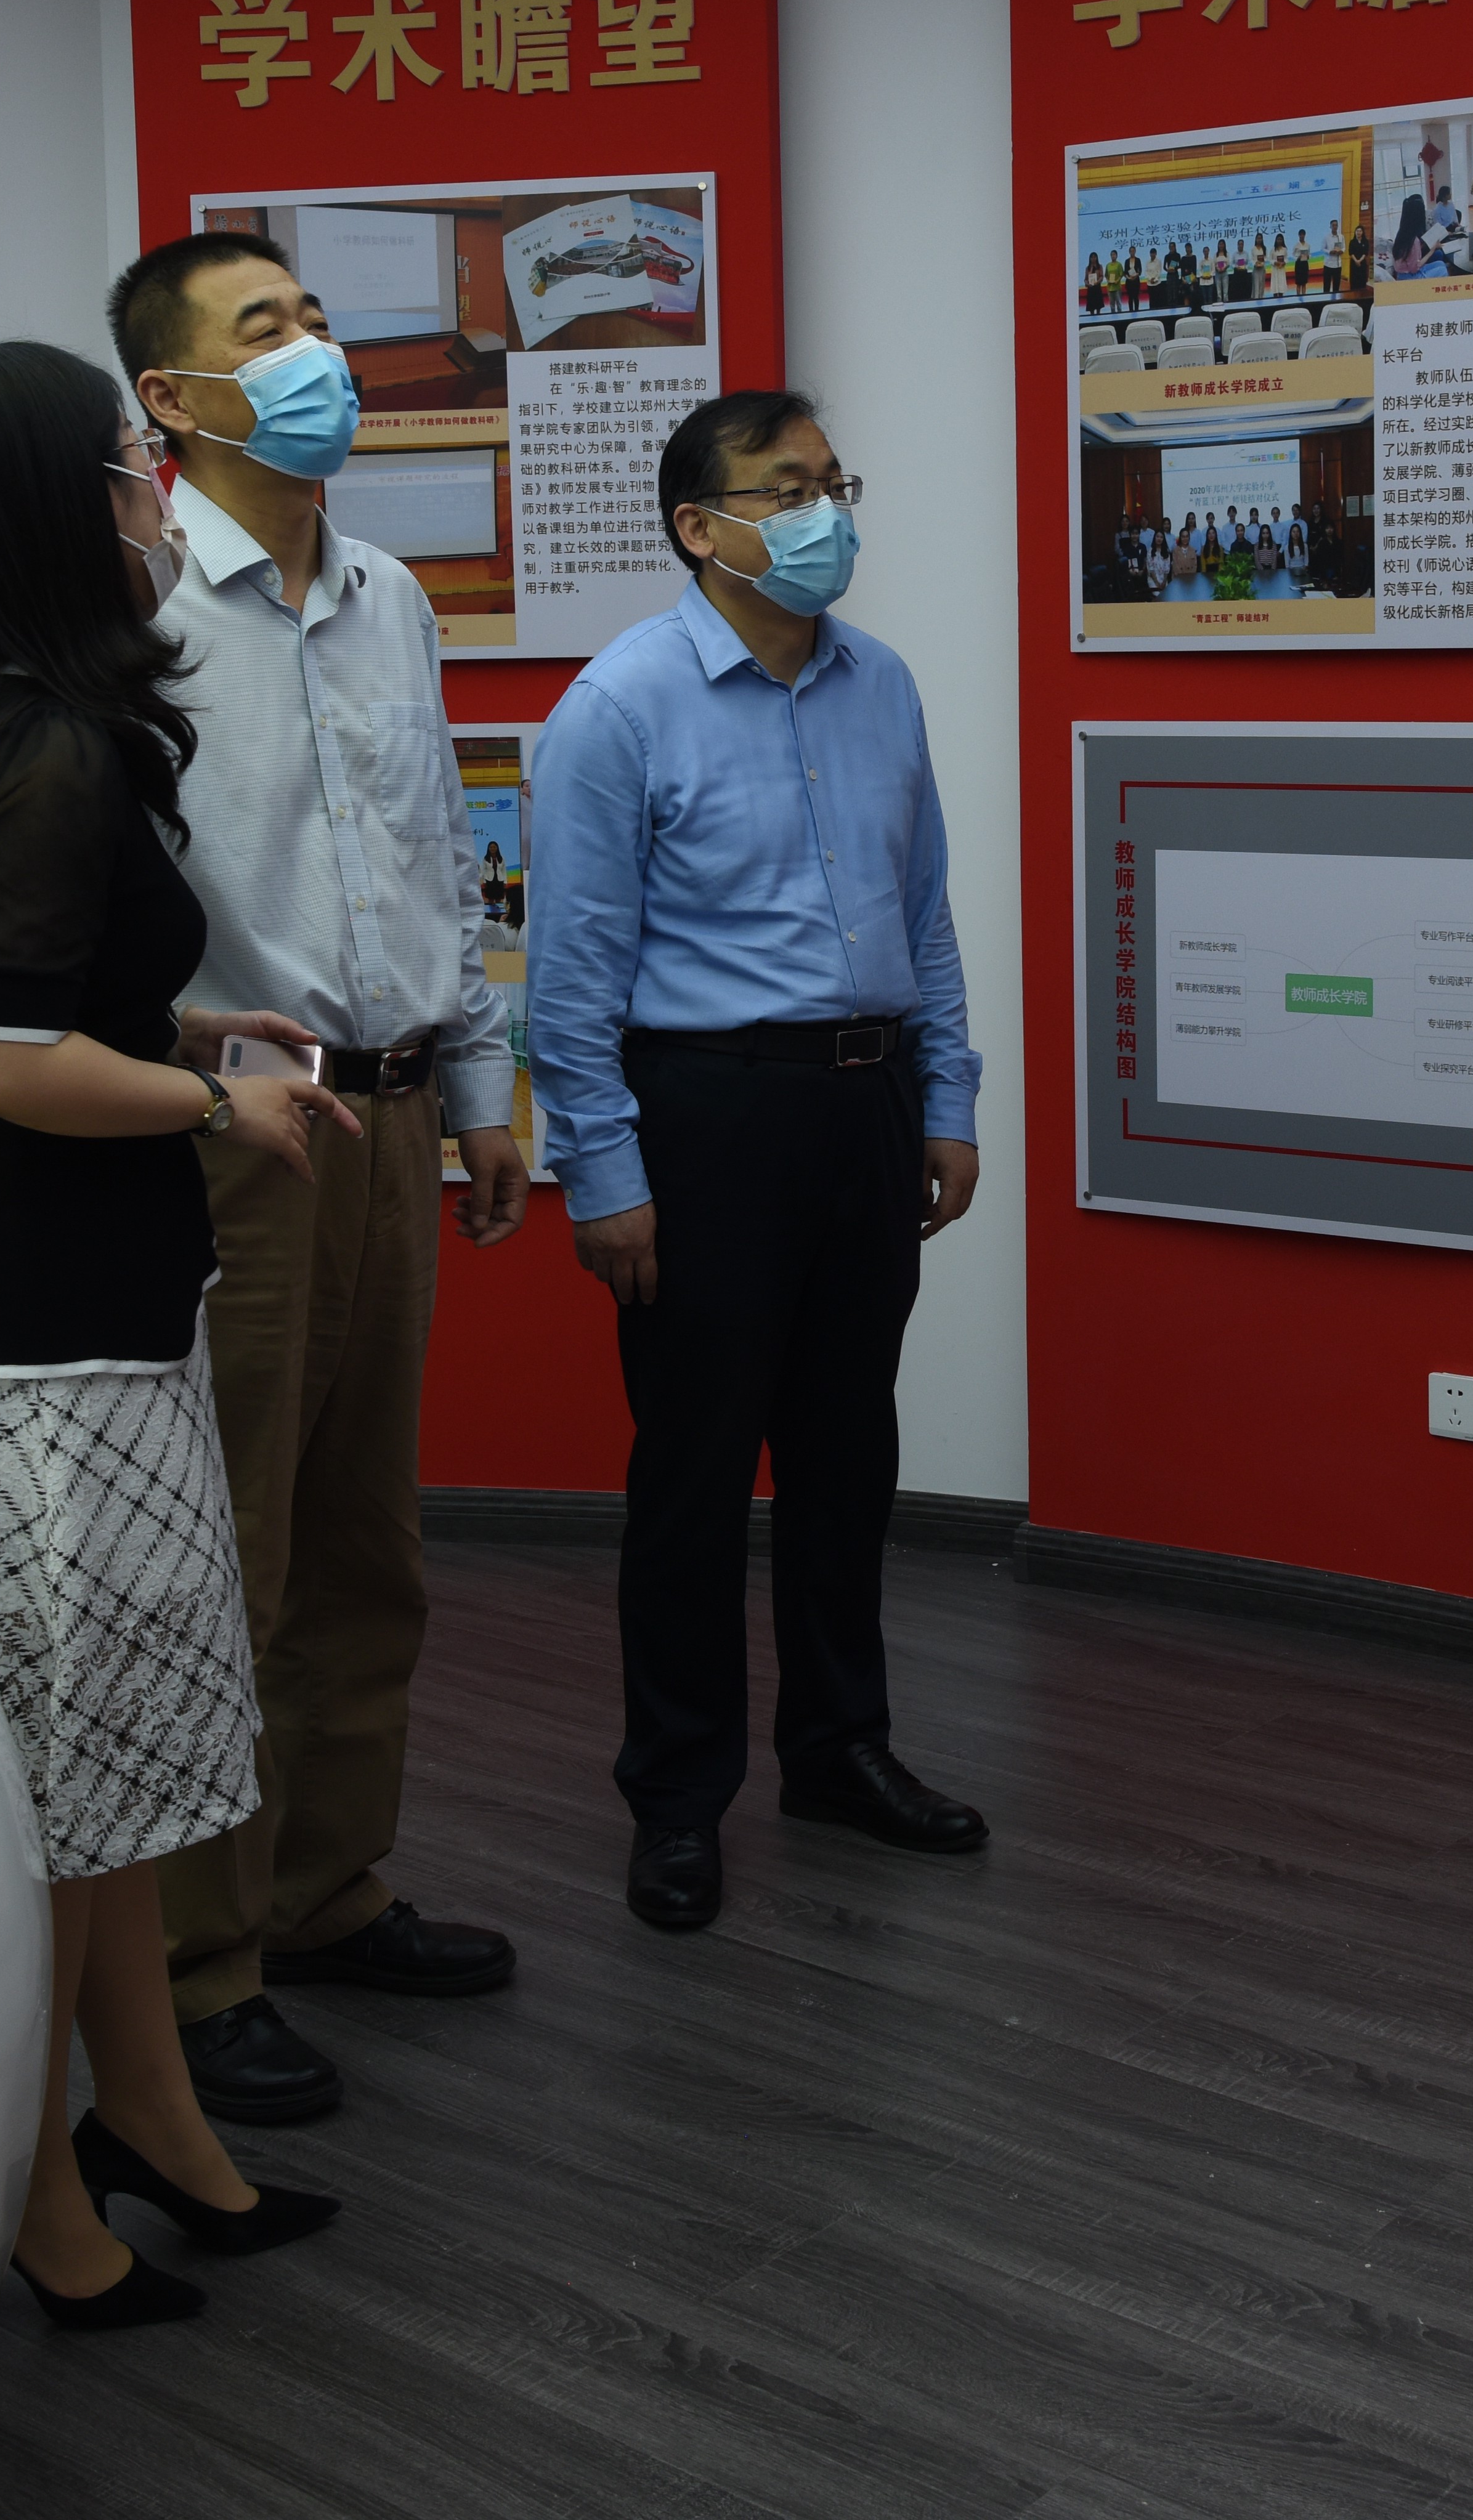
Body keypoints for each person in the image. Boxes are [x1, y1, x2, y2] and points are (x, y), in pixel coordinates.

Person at [0, 343, 350, 2332]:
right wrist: (223, 1101)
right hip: (44, 1355)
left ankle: (153, 2114)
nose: (158, 485)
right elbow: (5, 1059)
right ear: (51, 503)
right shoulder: (46, 744)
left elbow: (20, 1000)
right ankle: (42, 2192)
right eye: (135, 456)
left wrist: (190, 1027)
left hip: (54, 1324)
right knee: (60, 1799)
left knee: (101, 1783)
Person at [113, 228, 532, 2127]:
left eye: (314, 317)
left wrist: (482, 1084)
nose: (315, 352)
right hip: (241, 1127)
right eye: (263, 328)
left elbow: (436, 851)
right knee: (238, 1554)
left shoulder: (388, 595)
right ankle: (199, 1966)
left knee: (371, 1536)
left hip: (395, 1113)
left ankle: (329, 1884)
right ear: (173, 397)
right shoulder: (138, 611)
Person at [529, 389, 988, 1936]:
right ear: (699, 526)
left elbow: (923, 914)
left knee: (847, 1452)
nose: (823, 514)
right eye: (787, 490)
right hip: (705, 1115)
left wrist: (946, 1094)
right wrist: (604, 1174)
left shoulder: (884, 683)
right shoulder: (618, 706)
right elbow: (569, 978)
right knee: (696, 1470)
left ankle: (839, 1746)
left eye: (834, 483)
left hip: (867, 1104)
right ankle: (676, 1796)